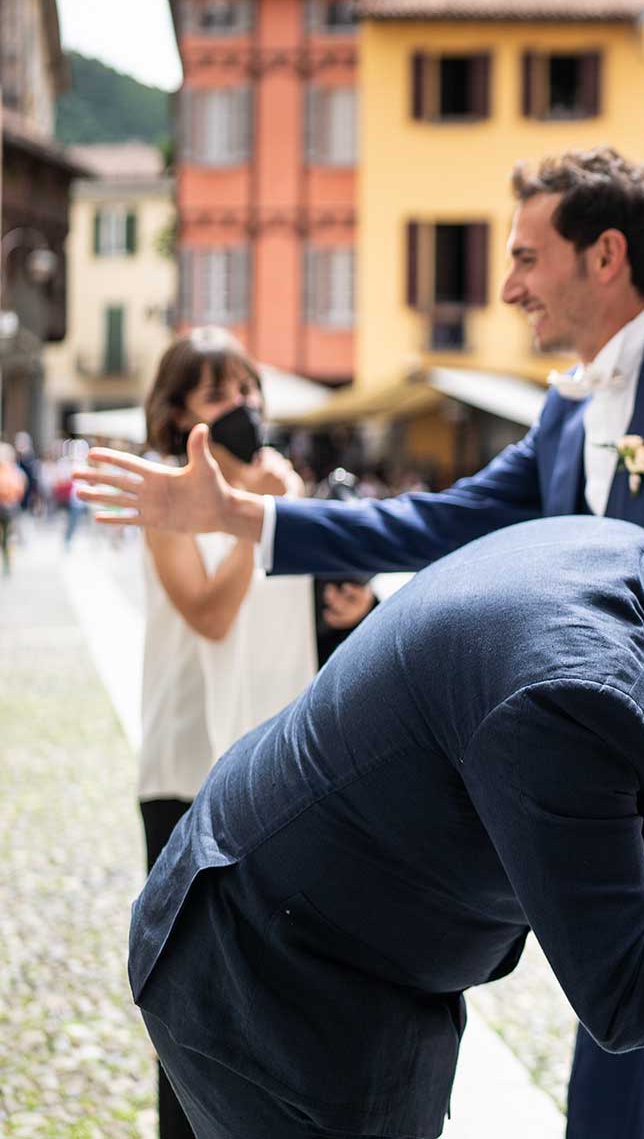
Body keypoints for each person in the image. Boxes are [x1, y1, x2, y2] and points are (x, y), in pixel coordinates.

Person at [81, 147, 644, 1139]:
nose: (507, 285)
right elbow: (443, 520)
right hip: (575, 788)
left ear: (604, 256)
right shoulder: (569, 404)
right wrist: (254, 520)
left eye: (526, 255)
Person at [126, 495, 644, 1139]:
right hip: (267, 969)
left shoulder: (638, 564)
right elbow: (628, 992)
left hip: (352, 949)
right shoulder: (578, 693)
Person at [129, 329, 321, 1139]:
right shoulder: (165, 498)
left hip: (279, 772)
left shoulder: (287, 489)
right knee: (192, 1000)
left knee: (280, 991)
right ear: (179, 418)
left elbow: (313, 616)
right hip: (188, 771)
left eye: (249, 393)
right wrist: (258, 521)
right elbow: (208, 613)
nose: (242, 410)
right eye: (219, 397)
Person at [0, 442, 24, 573]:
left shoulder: (13, 472)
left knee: (7, 538)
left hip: (8, 508)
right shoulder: (13, 472)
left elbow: (19, 489)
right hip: (7, 506)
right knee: (6, 538)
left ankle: (7, 561)